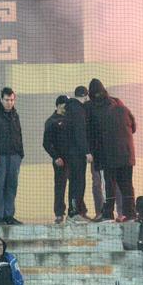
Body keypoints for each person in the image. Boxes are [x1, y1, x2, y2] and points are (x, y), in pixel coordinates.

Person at [87, 77, 136, 222]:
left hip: (108, 155)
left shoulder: (92, 108)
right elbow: (133, 127)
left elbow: (91, 132)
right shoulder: (120, 105)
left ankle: (107, 213)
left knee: (110, 184)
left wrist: (91, 150)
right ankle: (130, 214)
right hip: (127, 154)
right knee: (127, 185)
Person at [0, 87, 24, 225]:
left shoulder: (15, 114)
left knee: (12, 186)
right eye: (7, 100)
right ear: (1, 99)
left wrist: (20, 153)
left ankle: (9, 215)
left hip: (14, 156)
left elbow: (18, 134)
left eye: (12, 100)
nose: (9, 103)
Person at [61, 86, 91, 221]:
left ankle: (73, 212)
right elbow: (80, 133)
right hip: (77, 154)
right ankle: (75, 213)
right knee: (79, 182)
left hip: (69, 153)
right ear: (85, 96)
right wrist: (87, 152)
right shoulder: (79, 110)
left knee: (73, 182)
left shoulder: (69, 109)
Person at [42, 95, 68, 224]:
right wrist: (56, 157)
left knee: (76, 186)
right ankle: (59, 213)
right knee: (60, 186)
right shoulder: (51, 121)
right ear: (58, 105)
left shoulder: (71, 119)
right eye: (64, 105)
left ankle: (76, 211)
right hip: (60, 160)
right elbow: (46, 143)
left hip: (72, 159)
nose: (66, 108)